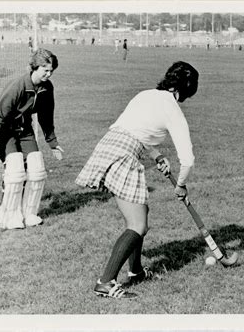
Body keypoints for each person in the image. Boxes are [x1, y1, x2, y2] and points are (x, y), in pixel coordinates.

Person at [75, 61, 199, 299]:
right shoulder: (172, 109)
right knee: (138, 225)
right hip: (123, 154)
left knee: (141, 213)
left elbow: (136, 130)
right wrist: (181, 185)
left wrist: (157, 154)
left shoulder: (146, 95)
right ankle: (105, 282)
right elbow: (188, 159)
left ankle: (136, 272)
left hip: (110, 144)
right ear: (186, 89)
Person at [0, 48, 64, 230]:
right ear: (35, 67)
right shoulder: (18, 86)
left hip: (24, 129)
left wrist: (53, 144)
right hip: (5, 129)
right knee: (15, 170)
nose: (49, 74)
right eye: (45, 70)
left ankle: (29, 214)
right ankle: (8, 216)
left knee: (37, 168)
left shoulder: (46, 88)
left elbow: (46, 117)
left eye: (51, 70)